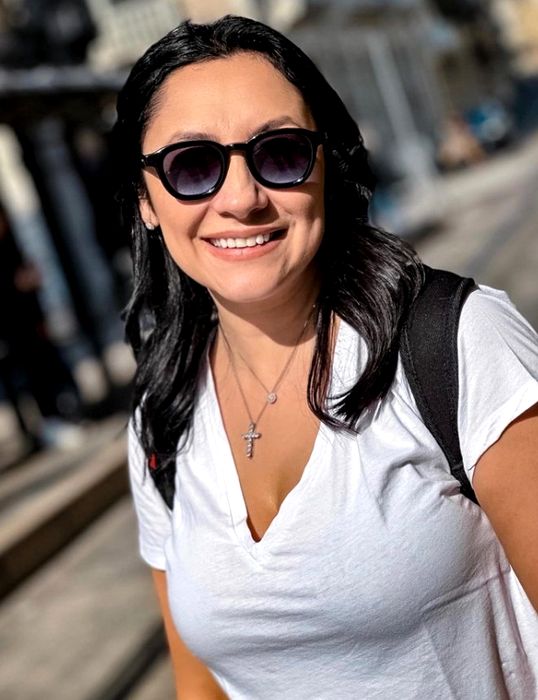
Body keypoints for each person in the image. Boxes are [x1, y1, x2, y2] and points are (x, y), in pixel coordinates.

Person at [114, 15, 538, 699]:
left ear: (326, 168)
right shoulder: (161, 419)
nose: (241, 198)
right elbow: (200, 688)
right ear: (146, 201)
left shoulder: (456, 342)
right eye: (192, 166)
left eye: (280, 153)